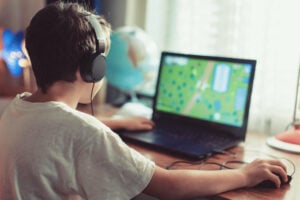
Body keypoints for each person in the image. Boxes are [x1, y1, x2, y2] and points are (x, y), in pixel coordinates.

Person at [0, 2, 289, 200]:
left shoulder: (17, 107)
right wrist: (245, 174)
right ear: (92, 69)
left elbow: (55, 129)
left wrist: (115, 122)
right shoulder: (84, 134)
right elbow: (168, 185)